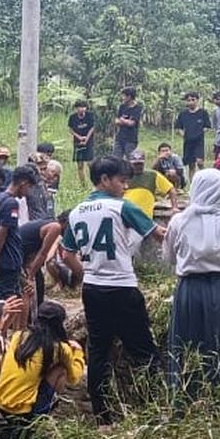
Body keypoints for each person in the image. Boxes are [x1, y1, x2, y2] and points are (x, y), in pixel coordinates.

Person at [59, 157, 164, 424]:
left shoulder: (76, 211)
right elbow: (158, 234)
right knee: (143, 349)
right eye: (121, 180)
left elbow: (67, 253)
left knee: (98, 351)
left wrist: (87, 274)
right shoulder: (121, 207)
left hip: (93, 289)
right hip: (122, 286)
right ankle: (158, 408)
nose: (125, 186)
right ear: (105, 179)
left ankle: (102, 415)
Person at [163, 169, 220, 411]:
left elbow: (169, 257)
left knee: (188, 343)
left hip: (190, 290)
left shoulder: (178, 221)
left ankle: (186, 401)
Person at [0, 302, 85, 439]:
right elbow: (75, 377)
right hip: (26, 410)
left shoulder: (18, 337)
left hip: (0, 400)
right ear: (60, 324)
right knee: (59, 370)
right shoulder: (59, 348)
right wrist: (77, 352)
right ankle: (46, 410)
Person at [0, 166, 37, 299]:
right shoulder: (11, 203)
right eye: (29, 188)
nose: (28, 192)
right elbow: (1, 233)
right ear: (23, 184)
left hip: (4, 259)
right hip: (8, 260)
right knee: (9, 299)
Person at [19, 216, 64, 307]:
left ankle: (37, 312)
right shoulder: (55, 227)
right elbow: (43, 254)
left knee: (38, 282)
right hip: (16, 255)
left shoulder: (49, 223)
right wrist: (30, 277)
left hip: (24, 255)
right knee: (27, 287)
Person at [124, 149, 177, 219]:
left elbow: (171, 189)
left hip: (145, 218)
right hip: (126, 215)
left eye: (140, 164)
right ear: (130, 163)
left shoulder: (152, 175)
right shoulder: (123, 176)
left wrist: (174, 207)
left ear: (144, 163)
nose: (138, 166)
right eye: (135, 164)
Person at [174, 92, 211, 181]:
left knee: (200, 162)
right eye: (188, 100)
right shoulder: (183, 114)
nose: (191, 102)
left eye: (193, 100)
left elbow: (207, 126)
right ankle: (193, 187)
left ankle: (207, 180)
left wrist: (199, 133)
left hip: (199, 141)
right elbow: (178, 128)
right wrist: (184, 135)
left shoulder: (203, 112)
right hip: (188, 142)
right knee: (191, 165)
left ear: (197, 100)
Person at [69, 100, 96, 185]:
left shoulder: (90, 116)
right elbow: (71, 129)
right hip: (77, 142)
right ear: (76, 108)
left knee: (90, 163)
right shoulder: (72, 117)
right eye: (80, 107)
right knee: (80, 165)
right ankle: (82, 184)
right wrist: (79, 137)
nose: (82, 109)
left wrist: (86, 139)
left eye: (84, 107)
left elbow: (92, 128)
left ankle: (94, 182)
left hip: (89, 142)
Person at [113, 86, 143, 161]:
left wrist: (122, 120)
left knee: (130, 161)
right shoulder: (122, 106)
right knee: (115, 160)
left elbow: (132, 123)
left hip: (130, 139)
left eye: (124, 96)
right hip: (119, 138)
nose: (122, 98)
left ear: (129, 96)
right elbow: (116, 121)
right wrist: (125, 121)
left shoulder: (137, 108)